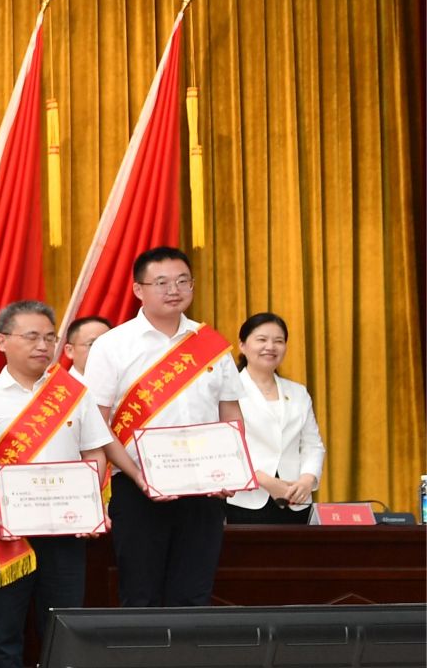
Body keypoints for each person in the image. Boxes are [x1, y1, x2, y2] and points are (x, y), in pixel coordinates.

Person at [0, 300, 142, 668]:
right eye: (32, 337)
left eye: (49, 337)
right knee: (4, 634)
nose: (43, 345)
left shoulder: (73, 393)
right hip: (6, 532)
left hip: (65, 533)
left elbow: (95, 452)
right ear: (2, 341)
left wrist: (93, 504)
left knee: (61, 631)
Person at [83, 247, 244, 607]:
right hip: (137, 490)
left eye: (183, 281)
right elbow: (97, 423)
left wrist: (234, 469)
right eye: (162, 282)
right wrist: (137, 475)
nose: (174, 290)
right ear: (138, 289)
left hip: (204, 490)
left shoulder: (210, 343)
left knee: (194, 595)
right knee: (141, 595)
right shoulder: (112, 346)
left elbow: (230, 411)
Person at [226, 313, 324, 525]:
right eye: (261, 339)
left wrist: (307, 479)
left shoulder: (298, 392)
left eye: (278, 341)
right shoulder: (228, 391)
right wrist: (267, 482)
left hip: (295, 498)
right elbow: (224, 448)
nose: (270, 347)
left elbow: (313, 445)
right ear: (242, 345)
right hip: (247, 500)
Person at [62, 316, 112, 380]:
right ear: (70, 350)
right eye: (92, 344)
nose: (103, 351)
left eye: (108, 345)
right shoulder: (57, 385)